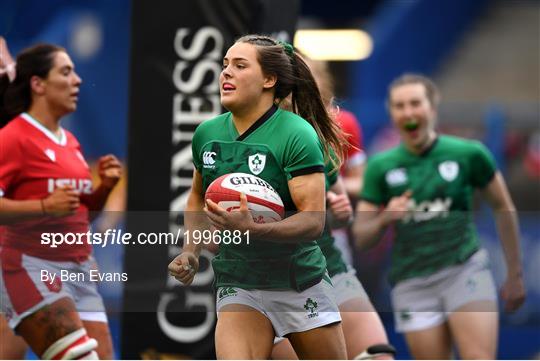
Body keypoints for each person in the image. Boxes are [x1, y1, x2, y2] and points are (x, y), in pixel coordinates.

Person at [168, 34, 348, 359]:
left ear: (269, 79)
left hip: (298, 281)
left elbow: (313, 220)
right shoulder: (206, 134)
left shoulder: (297, 134)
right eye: (224, 65)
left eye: (239, 65)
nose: (225, 73)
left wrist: (254, 228)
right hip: (239, 280)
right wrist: (191, 251)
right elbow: (196, 198)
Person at [353, 73, 526, 359]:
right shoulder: (380, 167)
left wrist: (515, 274)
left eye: (415, 103)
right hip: (412, 282)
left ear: (432, 108)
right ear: (392, 113)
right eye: (399, 106)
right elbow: (361, 236)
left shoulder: (469, 154)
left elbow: (503, 207)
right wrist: (385, 218)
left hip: (464, 270)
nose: (408, 112)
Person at [0, 40, 122, 359]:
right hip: (27, 265)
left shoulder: (70, 142)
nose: (77, 80)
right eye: (66, 72)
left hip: (76, 271)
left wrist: (104, 190)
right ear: (37, 84)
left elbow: (79, 213)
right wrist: (43, 206)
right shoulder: (12, 136)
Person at [270, 60, 394, 360]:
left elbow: (356, 188)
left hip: (329, 253)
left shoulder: (336, 127)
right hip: (271, 276)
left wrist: (331, 204)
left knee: (378, 353)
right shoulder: (246, 137)